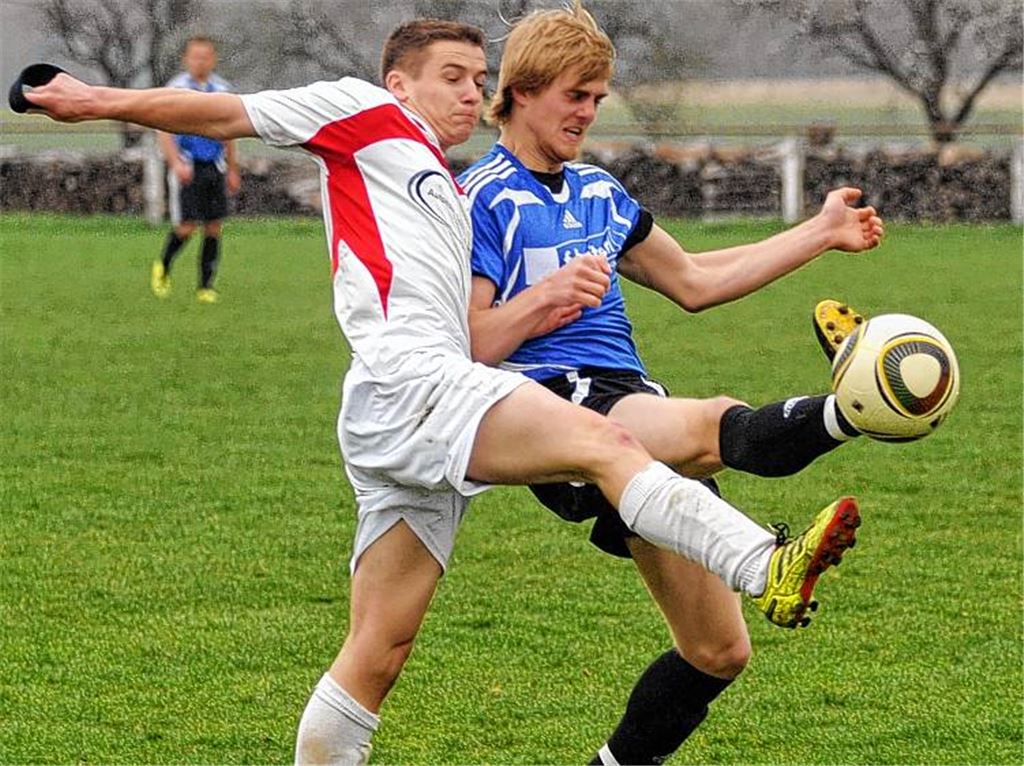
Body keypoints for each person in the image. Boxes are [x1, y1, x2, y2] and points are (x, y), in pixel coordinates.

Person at [22, 18, 862, 765]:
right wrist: (94, 101)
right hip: (415, 379)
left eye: (477, 77)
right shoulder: (365, 112)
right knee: (608, 443)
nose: (471, 93)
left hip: (410, 404)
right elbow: (227, 113)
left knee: (379, 649)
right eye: (453, 77)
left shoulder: (440, 186)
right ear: (399, 82)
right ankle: (765, 563)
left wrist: (819, 232)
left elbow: (680, 282)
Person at [460, 3, 883, 764]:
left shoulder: (597, 191)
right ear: (520, 90)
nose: (588, 112)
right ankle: (852, 412)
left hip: (626, 394)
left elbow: (693, 280)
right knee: (709, 424)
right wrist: (546, 300)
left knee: (717, 650)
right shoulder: (482, 196)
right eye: (574, 95)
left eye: (597, 97)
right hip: (552, 406)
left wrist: (820, 233)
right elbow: (471, 342)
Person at [150, 35, 242, 304]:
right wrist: (175, 162)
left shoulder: (222, 90)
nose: (200, 61)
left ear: (213, 59)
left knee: (213, 226)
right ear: (186, 59)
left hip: (214, 166)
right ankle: (163, 265)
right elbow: (163, 130)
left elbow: (230, 132)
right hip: (187, 166)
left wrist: (232, 168)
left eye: (205, 56)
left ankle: (205, 286)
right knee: (187, 226)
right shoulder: (176, 89)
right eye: (195, 56)